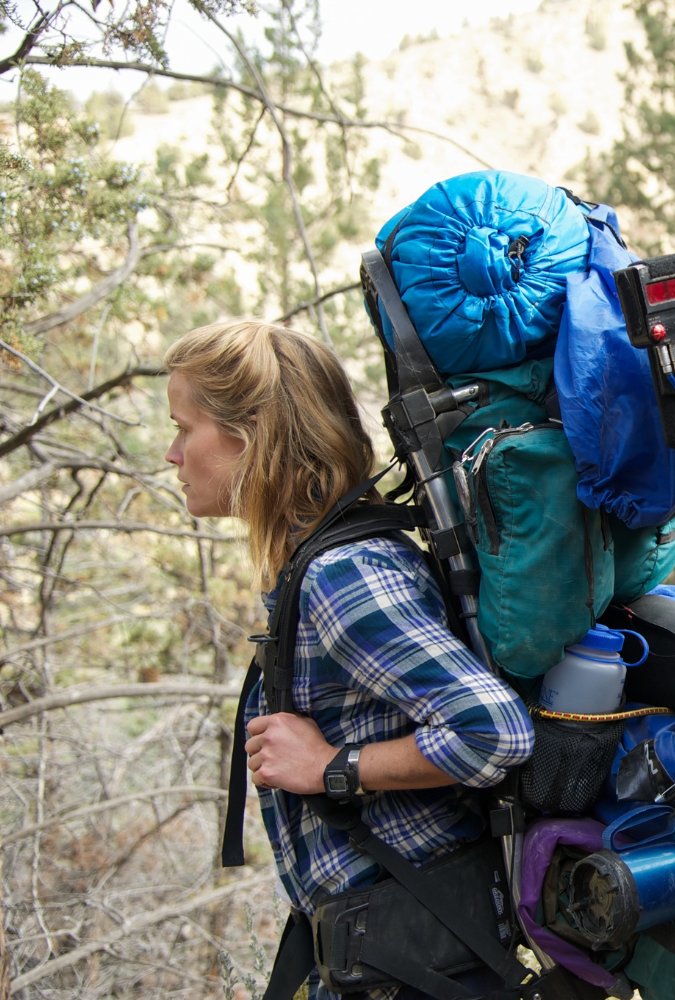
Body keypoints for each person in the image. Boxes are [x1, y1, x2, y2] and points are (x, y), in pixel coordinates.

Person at [164, 320, 535, 1000]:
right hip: (396, 960)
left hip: (424, 969)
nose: (171, 452)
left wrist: (331, 768)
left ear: (249, 434)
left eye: (184, 428)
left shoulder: (345, 574)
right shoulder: (321, 566)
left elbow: (494, 734)